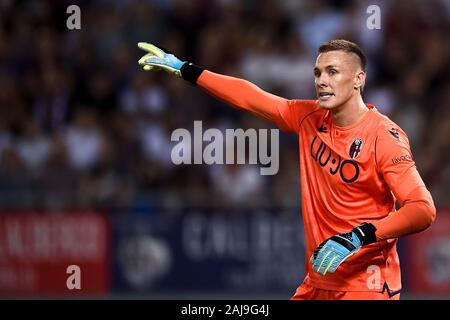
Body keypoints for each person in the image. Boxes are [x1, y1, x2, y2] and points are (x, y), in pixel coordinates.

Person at [137, 39, 436, 300]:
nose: (321, 80)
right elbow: (250, 97)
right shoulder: (309, 117)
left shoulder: (384, 138)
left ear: (358, 79)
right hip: (319, 282)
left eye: (332, 72)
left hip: (367, 285)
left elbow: (422, 209)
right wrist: (186, 69)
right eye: (318, 73)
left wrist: (359, 235)